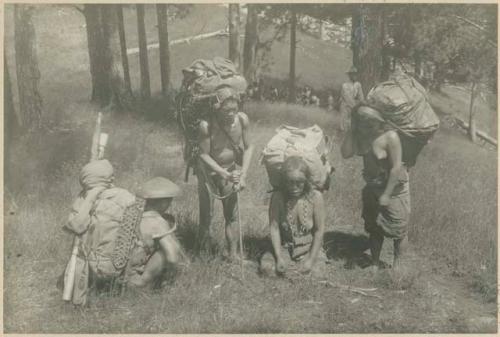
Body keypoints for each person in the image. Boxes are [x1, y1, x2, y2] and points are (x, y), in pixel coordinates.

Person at [64, 160, 183, 300]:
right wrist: (171, 279)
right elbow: (173, 258)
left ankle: (104, 287)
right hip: (123, 276)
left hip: (91, 271)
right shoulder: (151, 218)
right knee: (165, 251)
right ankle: (141, 284)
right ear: (165, 202)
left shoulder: (85, 203)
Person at [341, 106, 410, 270]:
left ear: (377, 119)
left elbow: (396, 168)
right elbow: (345, 153)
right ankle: (374, 262)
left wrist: (386, 194)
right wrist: (351, 130)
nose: (366, 124)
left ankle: (398, 266)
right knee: (374, 227)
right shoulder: (361, 136)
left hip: (394, 190)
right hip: (372, 186)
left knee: (398, 229)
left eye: (369, 120)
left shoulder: (390, 137)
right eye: (361, 121)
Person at [195, 86, 254, 261]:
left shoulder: (242, 120)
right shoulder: (206, 125)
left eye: (234, 109)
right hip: (208, 172)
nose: (231, 114)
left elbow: (250, 146)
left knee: (232, 214)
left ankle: (233, 254)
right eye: (227, 110)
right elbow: (203, 154)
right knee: (206, 214)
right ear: (217, 107)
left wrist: (242, 175)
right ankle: (203, 255)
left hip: (230, 170)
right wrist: (222, 173)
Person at [259, 156, 327, 277]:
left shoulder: (316, 197)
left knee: (317, 274)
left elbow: (319, 231)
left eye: (299, 183)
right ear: (284, 181)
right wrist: (279, 257)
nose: (294, 187)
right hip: (284, 247)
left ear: (306, 181)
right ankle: (289, 267)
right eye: (290, 182)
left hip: (308, 247)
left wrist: (311, 260)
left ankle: (302, 268)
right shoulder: (278, 197)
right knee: (267, 269)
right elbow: (274, 228)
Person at [339, 66, 364, 131]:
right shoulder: (345, 85)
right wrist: (355, 105)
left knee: (352, 124)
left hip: (354, 107)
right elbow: (347, 98)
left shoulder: (358, 85)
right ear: (350, 75)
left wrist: (362, 103)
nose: (355, 76)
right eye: (353, 74)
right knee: (344, 124)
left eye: (356, 74)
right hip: (346, 107)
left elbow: (361, 96)